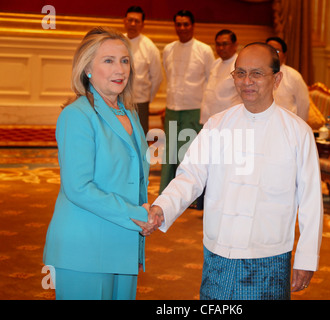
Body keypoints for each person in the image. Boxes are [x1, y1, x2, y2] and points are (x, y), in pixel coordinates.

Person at [147, 42, 323, 300]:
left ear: (277, 79)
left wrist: (307, 258)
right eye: (240, 73)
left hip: (269, 257)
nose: (246, 81)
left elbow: (311, 201)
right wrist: (163, 206)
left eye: (256, 73)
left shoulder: (298, 133)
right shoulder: (217, 125)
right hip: (219, 250)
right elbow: (190, 175)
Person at [43, 27, 157, 300]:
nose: (120, 69)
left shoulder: (129, 113)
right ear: (87, 69)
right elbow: (79, 188)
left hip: (124, 245)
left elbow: (133, 177)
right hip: (85, 249)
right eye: (108, 60)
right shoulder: (77, 115)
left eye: (125, 60)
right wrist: (139, 215)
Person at [160, 10, 215, 194]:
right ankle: (167, 191)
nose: (182, 28)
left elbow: (210, 82)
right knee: (170, 152)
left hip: (194, 108)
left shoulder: (204, 50)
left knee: (188, 152)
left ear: (192, 26)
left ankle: (189, 193)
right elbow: (168, 76)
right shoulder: (168, 49)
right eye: (179, 24)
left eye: (186, 24)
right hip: (173, 107)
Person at [123, 6, 163, 134]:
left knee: (139, 137)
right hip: (116, 100)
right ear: (124, 21)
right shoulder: (117, 41)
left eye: (137, 21)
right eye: (130, 20)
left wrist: (147, 98)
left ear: (142, 24)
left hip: (139, 102)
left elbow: (157, 78)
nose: (133, 24)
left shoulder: (149, 47)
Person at [200, 29, 241, 124]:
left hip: (229, 120)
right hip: (211, 118)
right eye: (218, 44)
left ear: (235, 45)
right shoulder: (216, 63)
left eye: (225, 44)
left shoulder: (240, 65)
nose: (221, 48)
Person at [266, 37, 310, 121]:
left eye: (277, 51)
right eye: (269, 49)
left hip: (288, 125)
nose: (273, 53)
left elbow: (303, 105)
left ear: (285, 54)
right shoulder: (257, 74)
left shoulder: (293, 76)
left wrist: (299, 127)